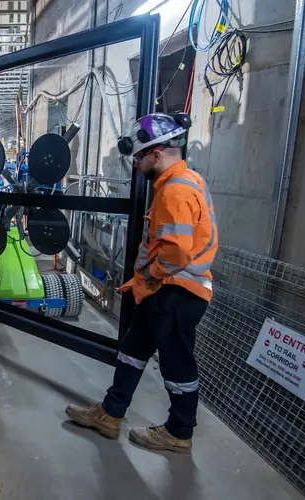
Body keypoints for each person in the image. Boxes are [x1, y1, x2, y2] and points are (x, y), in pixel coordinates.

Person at [66, 112, 218, 453]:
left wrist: (146, 278)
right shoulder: (184, 182)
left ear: (157, 154)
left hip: (177, 293)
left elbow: (176, 254)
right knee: (133, 352)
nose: (135, 163)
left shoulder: (174, 192)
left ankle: (179, 432)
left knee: (177, 366)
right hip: (165, 291)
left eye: (139, 155)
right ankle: (110, 414)